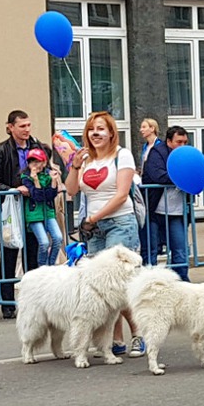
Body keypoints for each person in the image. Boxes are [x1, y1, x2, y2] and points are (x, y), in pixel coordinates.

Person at [65, 111, 145, 358]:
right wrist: (75, 166)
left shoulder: (123, 155)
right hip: (94, 229)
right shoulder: (87, 159)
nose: (95, 133)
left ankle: (139, 334)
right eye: (91, 129)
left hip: (120, 223)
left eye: (101, 128)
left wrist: (93, 218)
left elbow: (121, 195)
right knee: (102, 288)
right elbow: (71, 190)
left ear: (111, 132)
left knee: (122, 286)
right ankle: (115, 339)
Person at [0, 110, 50, 318]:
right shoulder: (2, 150)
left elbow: (46, 171)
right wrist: (13, 189)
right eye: (22, 126)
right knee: (9, 255)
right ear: (10, 127)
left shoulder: (37, 146)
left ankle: (31, 303)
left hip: (33, 208)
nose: (26, 130)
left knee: (32, 255)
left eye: (29, 125)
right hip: (11, 210)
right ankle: (7, 304)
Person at [143, 125, 191, 281]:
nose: (182, 145)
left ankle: (181, 281)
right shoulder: (157, 153)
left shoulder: (187, 154)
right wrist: (181, 177)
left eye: (185, 142)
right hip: (155, 210)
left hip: (176, 211)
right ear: (169, 141)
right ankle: (150, 283)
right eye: (179, 142)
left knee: (180, 250)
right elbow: (158, 175)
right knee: (151, 250)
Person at [20, 148, 63, 267]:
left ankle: (51, 265)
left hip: (48, 212)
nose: (34, 165)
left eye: (37, 161)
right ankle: (42, 267)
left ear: (44, 163)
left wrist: (54, 181)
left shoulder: (48, 174)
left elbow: (50, 195)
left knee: (58, 238)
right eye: (31, 162)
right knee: (44, 242)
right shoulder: (26, 177)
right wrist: (35, 180)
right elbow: (37, 196)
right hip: (34, 214)